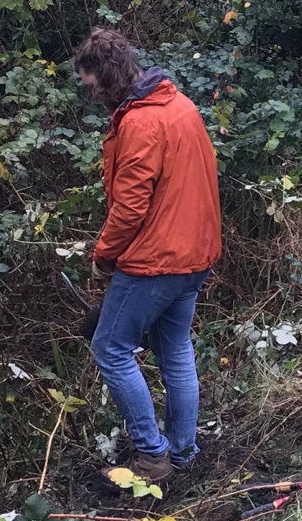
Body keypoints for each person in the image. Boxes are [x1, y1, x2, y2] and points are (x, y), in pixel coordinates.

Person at [75, 29, 223, 488]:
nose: (88, 91)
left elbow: (130, 206)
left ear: (107, 75)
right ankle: (183, 451)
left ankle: (152, 455)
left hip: (156, 260)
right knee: (175, 348)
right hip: (195, 253)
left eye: (89, 82)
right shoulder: (180, 106)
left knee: (110, 348)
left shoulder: (141, 123)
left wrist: (103, 255)